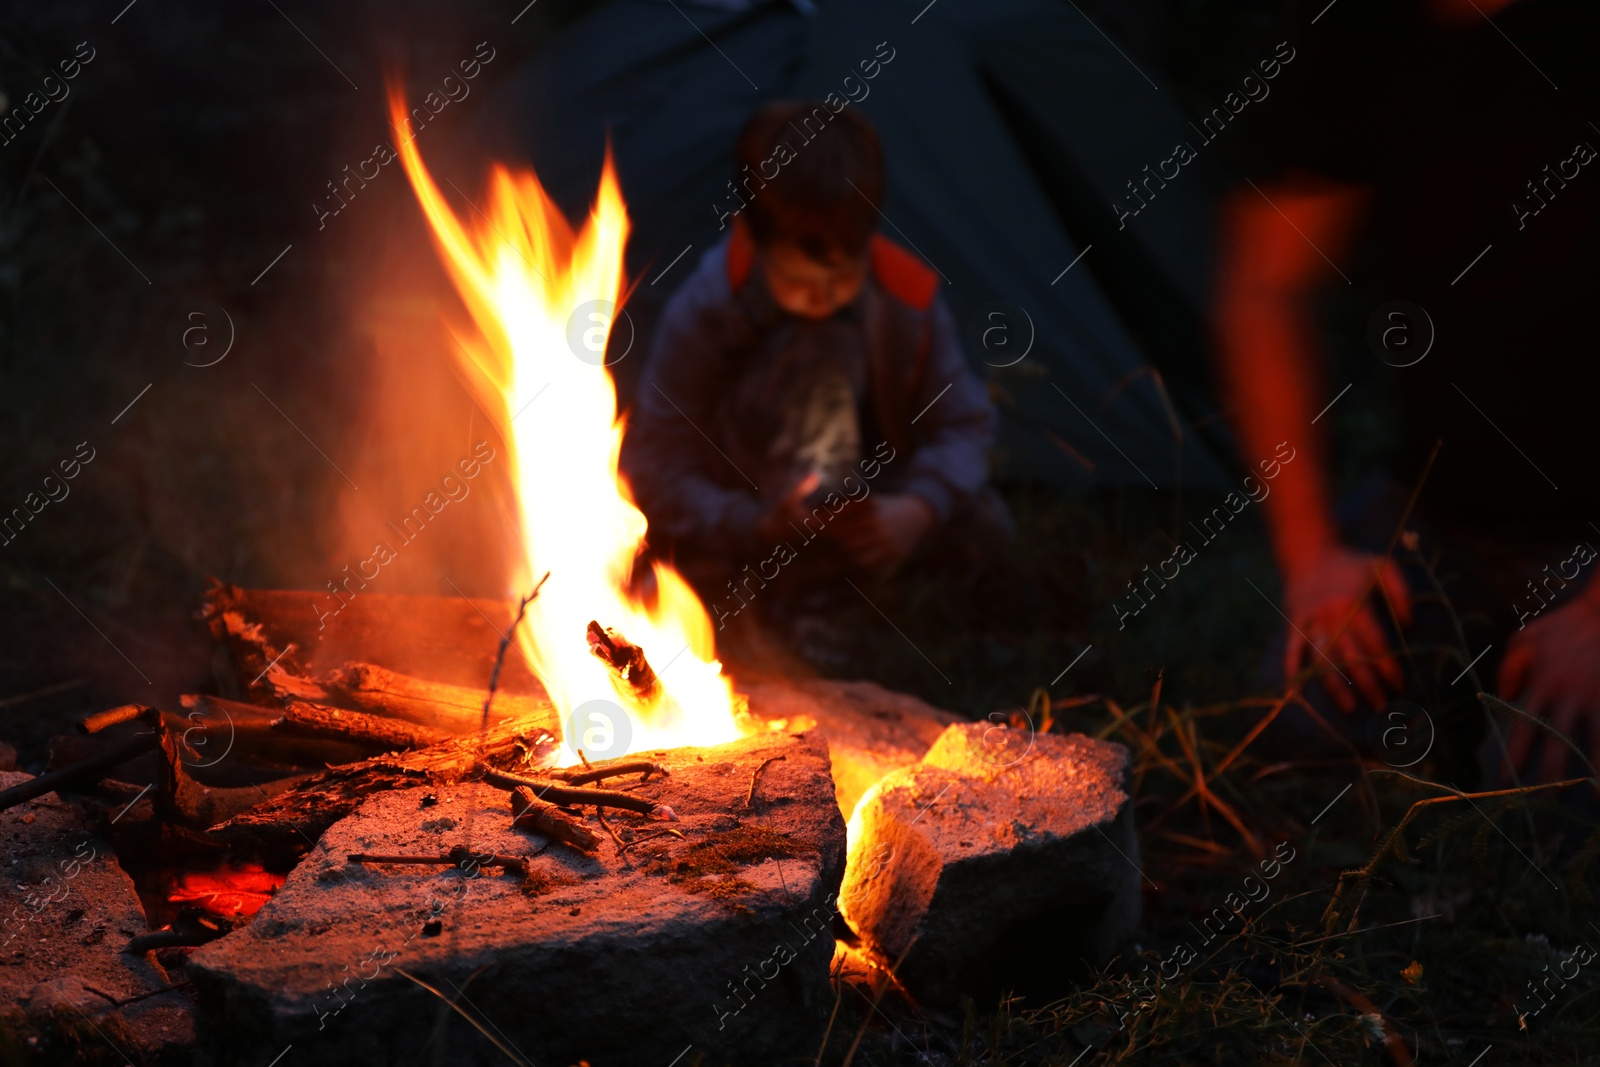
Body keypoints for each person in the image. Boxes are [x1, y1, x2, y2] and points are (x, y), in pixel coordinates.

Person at [1216, 0, 1600, 781]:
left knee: (1550, 815)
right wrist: (1314, 554)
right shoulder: (1364, 39)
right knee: (1309, 744)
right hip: (1440, 513)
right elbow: (1265, 291)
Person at [622, 100, 998, 626]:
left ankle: (882, 608)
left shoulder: (905, 297)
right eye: (799, 284)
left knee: (986, 528)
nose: (822, 300)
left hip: (876, 511)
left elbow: (964, 423)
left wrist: (918, 508)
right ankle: (784, 607)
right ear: (749, 236)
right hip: (748, 525)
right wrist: (752, 523)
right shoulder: (707, 312)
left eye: (841, 281)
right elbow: (656, 463)